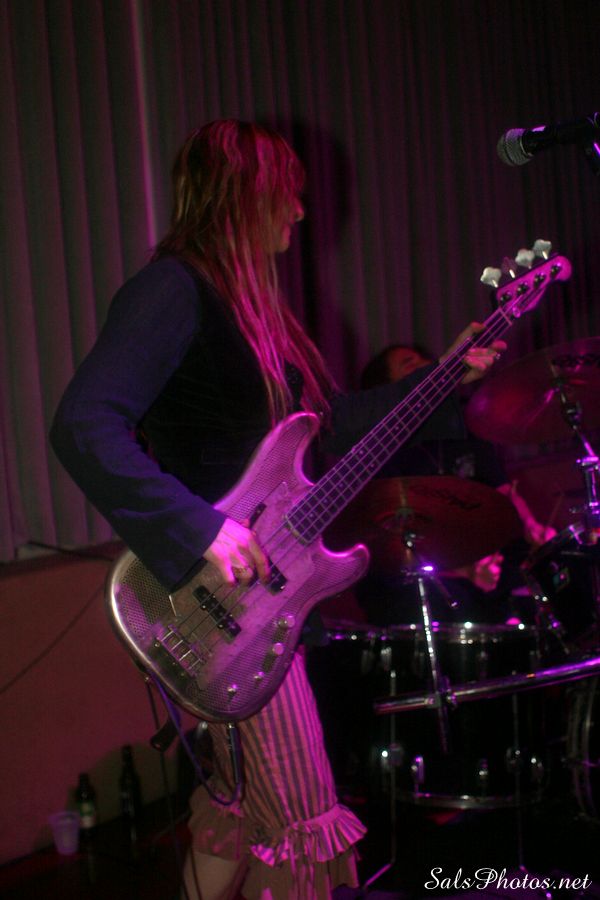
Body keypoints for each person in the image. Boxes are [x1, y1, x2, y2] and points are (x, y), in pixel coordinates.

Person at [49, 120, 504, 900]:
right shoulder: (173, 290)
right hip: (220, 604)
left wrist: (445, 379)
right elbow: (84, 423)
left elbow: (331, 427)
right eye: (288, 194)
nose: (300, 211)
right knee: (304, 821)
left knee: (239, 815)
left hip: (260, 601)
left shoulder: (254, 312)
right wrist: (200, 529)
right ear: (246, 195)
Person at [357, 343, 556, 626]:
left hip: (483, 563)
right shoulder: (381, 451)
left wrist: (533, 527)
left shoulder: (465, 425)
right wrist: (464, 571)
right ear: (387, 390)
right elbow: (390, 550)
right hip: (423, 582)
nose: (425, 364)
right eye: (409, 363)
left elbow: (502, 490)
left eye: (425, 358)